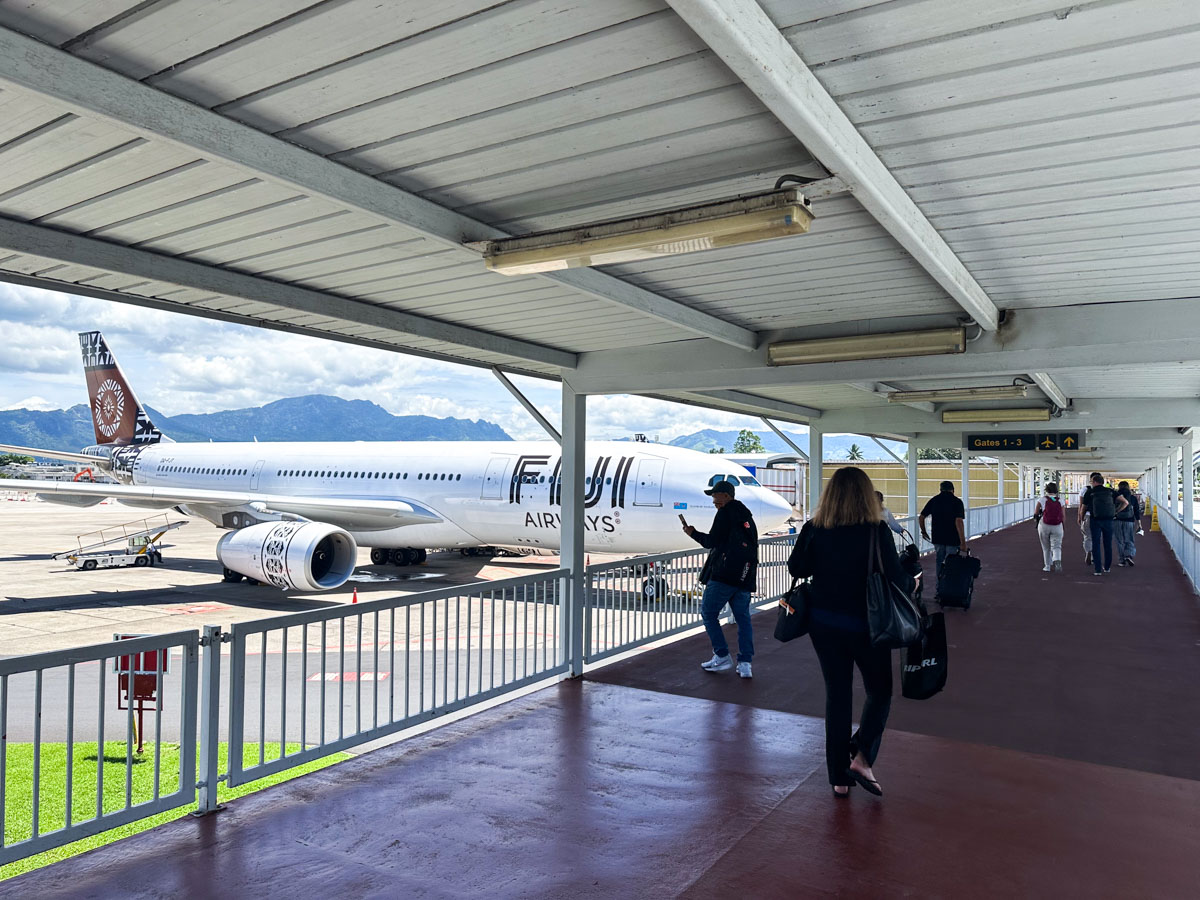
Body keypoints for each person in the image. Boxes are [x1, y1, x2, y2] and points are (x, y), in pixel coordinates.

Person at [788, 467, 905, 799]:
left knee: (837, 697)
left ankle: (838, 779)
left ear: (830, 495)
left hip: (823, 626)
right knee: (879, 691)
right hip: (867, 625)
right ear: (867, 496)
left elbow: (797, 568)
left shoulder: (814, 528)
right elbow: (894, 576)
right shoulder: (876, 531)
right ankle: (862, 754)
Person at [683, 479, 758, 678]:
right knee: (743, 619)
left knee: (708, 613)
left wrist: (692, 533)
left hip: (724, 575)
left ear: (726, 495)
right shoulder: (746, 515)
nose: (714, 501)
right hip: (744, 575)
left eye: (715, 496)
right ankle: (745, 664)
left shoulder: (725, 513)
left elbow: (711, 541)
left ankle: (722, 655)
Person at [919, 480, 966, 599]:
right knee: (951, 564)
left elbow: (922, 516)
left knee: (939, 562)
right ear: (953, 490)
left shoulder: (934, 500)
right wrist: (963, 542)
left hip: (938, 538)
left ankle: (939, 590)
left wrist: (924, 531)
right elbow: (958, 521)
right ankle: (950, 590)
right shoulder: (957, 502)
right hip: (952, 538)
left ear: (940, 490)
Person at [1079, 473, 1128, 575]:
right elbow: (1125, 502)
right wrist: (1116, 511)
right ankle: (1107, 567)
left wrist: (1081, 518)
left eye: (1092, 482)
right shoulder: (1110, 491)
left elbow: (1083, 507)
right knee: (1107, 544)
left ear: (1095, 482)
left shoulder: (1090, 492)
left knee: (1096, 544)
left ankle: (1097, 570)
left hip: (1095, 519)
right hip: (1108, 520)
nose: (1091, 483)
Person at [1034, 482, 1065, 573]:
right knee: (1056, 546)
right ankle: (1057, 559)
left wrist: (1036, 521)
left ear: (1046, 490)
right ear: (1056, 490)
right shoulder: (1061, 501)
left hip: (1044, 524)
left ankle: (1047, 566)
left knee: (1046, 547)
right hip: (1057, 525)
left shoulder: (1042, 499)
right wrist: (1063, 526)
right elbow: (1063, 515)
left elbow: (1036, 513)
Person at [1114, 481, 1141, 567]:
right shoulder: (1132, 498)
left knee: (1119, 540)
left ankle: (1122, 560)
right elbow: (1137, 511)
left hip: (1117, 520)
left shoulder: (1115, 496)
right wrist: (1139, 523)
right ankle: (1128, 555)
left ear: (1119, 487)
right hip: (1129, 521)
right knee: (1129, 539)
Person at [1078, 478, 1094, 565]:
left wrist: (1080, 516)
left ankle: (1088, 551)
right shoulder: (1105, 491)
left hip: (1088, 515)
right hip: (1099, 517)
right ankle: (1094, 557)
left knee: (1087, 536)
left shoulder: (1086, 490)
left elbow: (1082, 505)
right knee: (1097, 537)